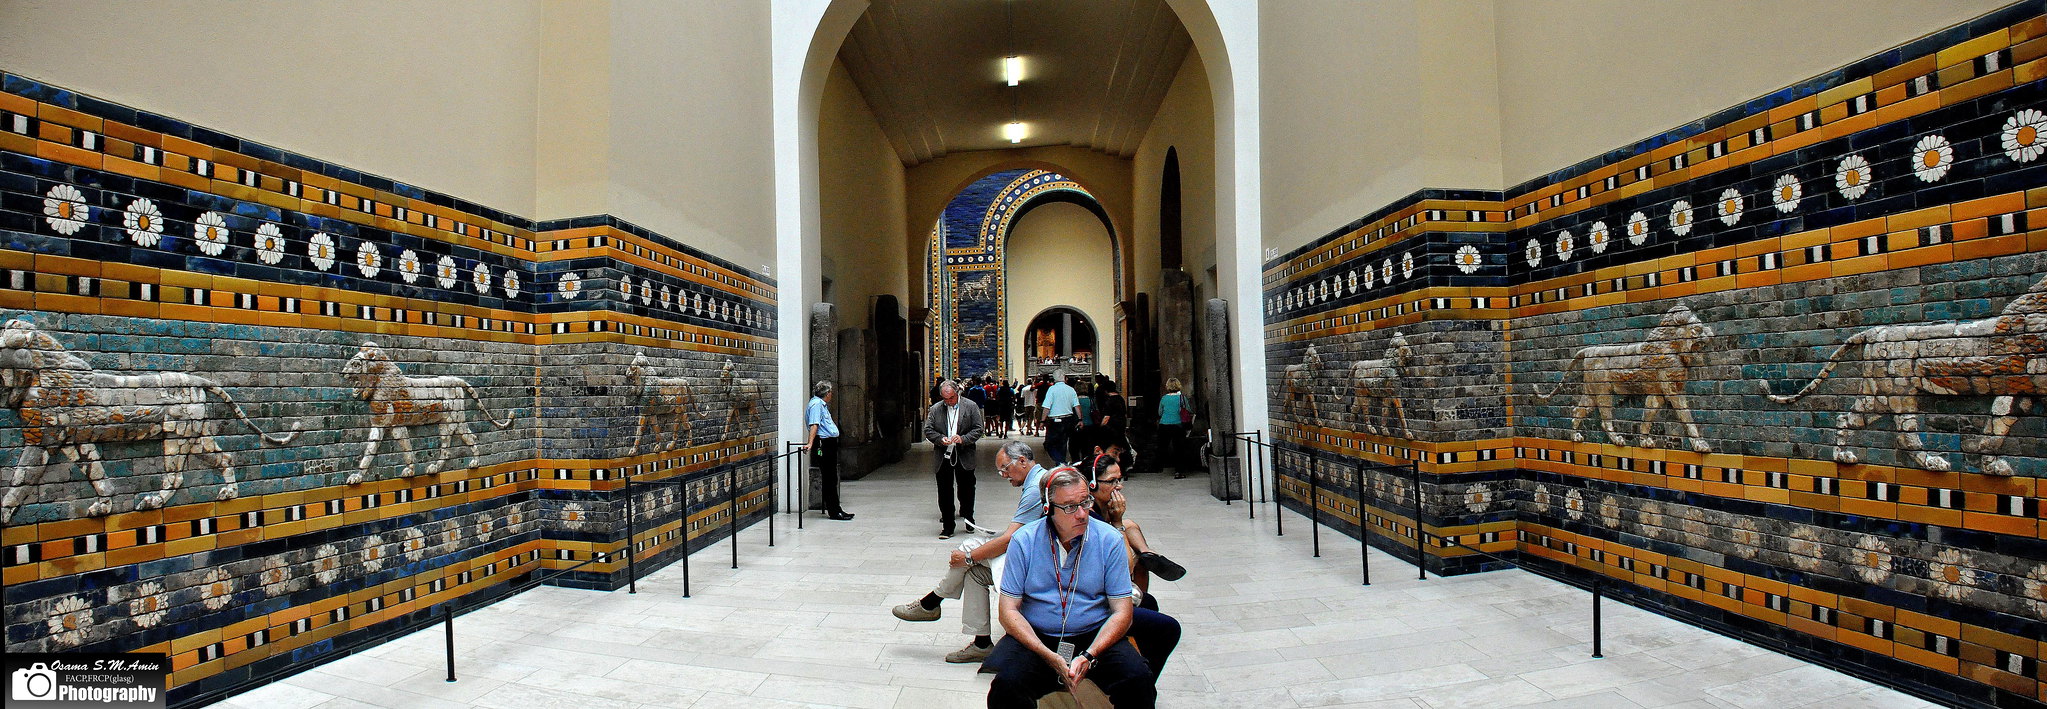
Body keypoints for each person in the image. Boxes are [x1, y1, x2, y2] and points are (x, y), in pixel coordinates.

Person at [985, 468, 1156, 708]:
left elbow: (1122, 612)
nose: (1082, 514)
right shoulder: (1024, 540)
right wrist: (1046, 654)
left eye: (1085, 502)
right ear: (1048, 508)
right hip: (1038, 637)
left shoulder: (1109, 539)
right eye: (1069, 507)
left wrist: (1090, 654)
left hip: (1094, 634)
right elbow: (1008, 610)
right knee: (1006, 686)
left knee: (1138, 679)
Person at [890, 441, 1049, 664]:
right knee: (974, 574)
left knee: (969, 549)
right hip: (1034, 556)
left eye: (1005, 469)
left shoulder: (1034, 488)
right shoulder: (1038, 480)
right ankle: (981, 643)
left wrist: (968, 557)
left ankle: (932, 602)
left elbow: (1009, 540)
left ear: (1022, 461)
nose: (1003, 475)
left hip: (1039, 566)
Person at [1083, 453, 1182, 677]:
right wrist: (1117, 521)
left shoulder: (1098, 507)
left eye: (1120, 480)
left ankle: (1148, 554)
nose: (1119, 487)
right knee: (1167, 628)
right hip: (1094, 604)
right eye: (1112, 481)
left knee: (1150, 602)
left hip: (1106, 592)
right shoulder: (1088, 516)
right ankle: (1144, 680)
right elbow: (1125, 566)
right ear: (1092, 483)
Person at [923, 380, 984, 539]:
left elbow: (978, 429)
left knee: (967, 489)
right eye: (945, 399)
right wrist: (940, 439)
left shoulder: (970, 406)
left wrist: (963, 439)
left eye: (951, 398)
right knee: (944, 491)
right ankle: (948, 526)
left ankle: (968, 517)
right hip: (943, 455)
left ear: (958, 393)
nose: (948, 402)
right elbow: (928, 430)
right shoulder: (936, 409)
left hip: (964, 453)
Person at [803, 380, 854, 520]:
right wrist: (810, 443)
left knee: (831, 477)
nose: (832, 395)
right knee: (829, 477)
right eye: (831, 392)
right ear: (828, 393)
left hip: (828, 443)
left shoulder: (820, 404)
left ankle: (835, 508)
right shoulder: (816, 405)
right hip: (823, 443)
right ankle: (834, 510)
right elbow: (814, 425)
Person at [1156, 378, 1192, 479]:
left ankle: (1159, 466)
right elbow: (1188, 410)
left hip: (1164, 424)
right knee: (1179, 449)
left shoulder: (1164, 398)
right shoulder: (1182, 398)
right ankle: (1179, 471)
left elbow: (1159, 412)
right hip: (1178, 425)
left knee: (1163, 446)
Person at [1040, 375, 1079, 465]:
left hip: (1055, 420)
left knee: (1049, 444)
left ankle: (1060, 461)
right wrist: (1080, 419)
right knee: (1063, 442)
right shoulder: (1071, 389)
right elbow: (1077, 406)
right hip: (1068, 419)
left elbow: (1047, 407)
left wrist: (1042, 420)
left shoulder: (1052, 389)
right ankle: (1061, 461)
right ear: (1065, 379)